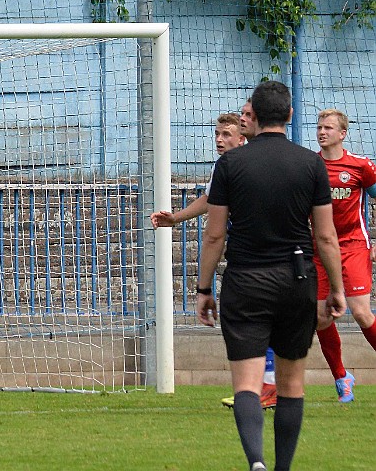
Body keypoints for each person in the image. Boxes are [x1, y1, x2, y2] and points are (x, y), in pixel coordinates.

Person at [196, 81, 346, 471]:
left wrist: (203, 287)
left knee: (245, 384)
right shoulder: (311, 164)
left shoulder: (230, 165)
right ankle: (282, 469)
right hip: (297, 280)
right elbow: (326, 236)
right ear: (290, 116)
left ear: (254, 119)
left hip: (245, 279)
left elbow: (214, 234)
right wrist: (336, 290)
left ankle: (256, 463)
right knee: (291, 383)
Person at [149, 109, 278, 409]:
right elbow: (210, 201)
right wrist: (176, 218)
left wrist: (202, 287)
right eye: (217, 135)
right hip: (253, 253)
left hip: (259, 254)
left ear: (242, 136)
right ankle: (266, 388)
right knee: (255, 322)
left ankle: (263, 388)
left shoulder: (249, 163)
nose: (219, 140)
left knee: (249, 321)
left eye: (226, 134)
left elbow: (214, 230)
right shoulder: (226, 166)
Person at [313, 108, 376, 403]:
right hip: (319, 249)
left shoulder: (360, 167)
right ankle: (342, 377)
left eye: (328, 127)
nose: (322, 131)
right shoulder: (309, 166)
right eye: (319, 127)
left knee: (362, 313)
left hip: (352, 245)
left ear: (342, 133)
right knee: (320, 318)